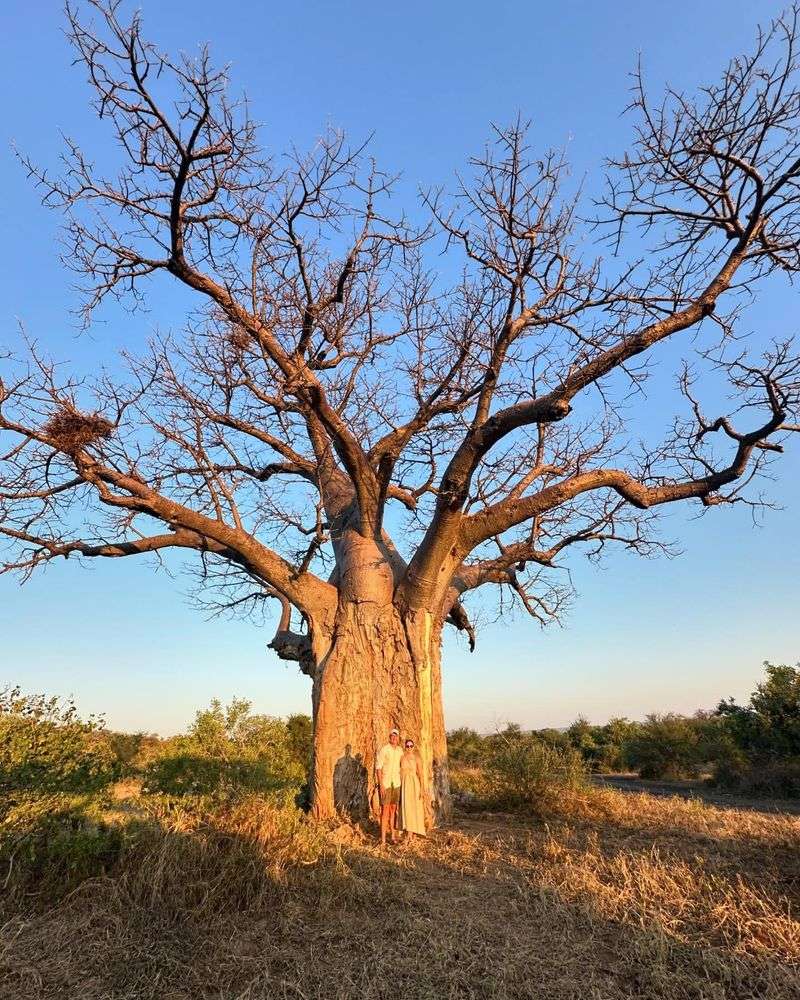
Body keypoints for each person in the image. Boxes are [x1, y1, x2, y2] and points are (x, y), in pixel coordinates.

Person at [375, 728, 403, 846]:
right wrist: (381, 785)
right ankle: (383, 839)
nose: (394, 738)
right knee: (385, 811)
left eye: (396, 736)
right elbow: (378, 768)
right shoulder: (384, 750)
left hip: (396, 783)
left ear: (398, 738)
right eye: (392, 736)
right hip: (386, 784)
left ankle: (392, 835)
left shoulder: (400, 750)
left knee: (393, 809)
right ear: (389, 737)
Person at [400, 738, 426, 839]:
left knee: (415, 807)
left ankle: (413, 832)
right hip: (405, 783)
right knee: (407, 807)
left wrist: (422, 788)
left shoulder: (417, 758)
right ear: (405, 747)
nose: (409, 748)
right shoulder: (402, 757)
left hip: (414, 783)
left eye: (411, 746)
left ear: (413, 747)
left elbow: (421, 774)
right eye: (407, 746)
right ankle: (408, 831)